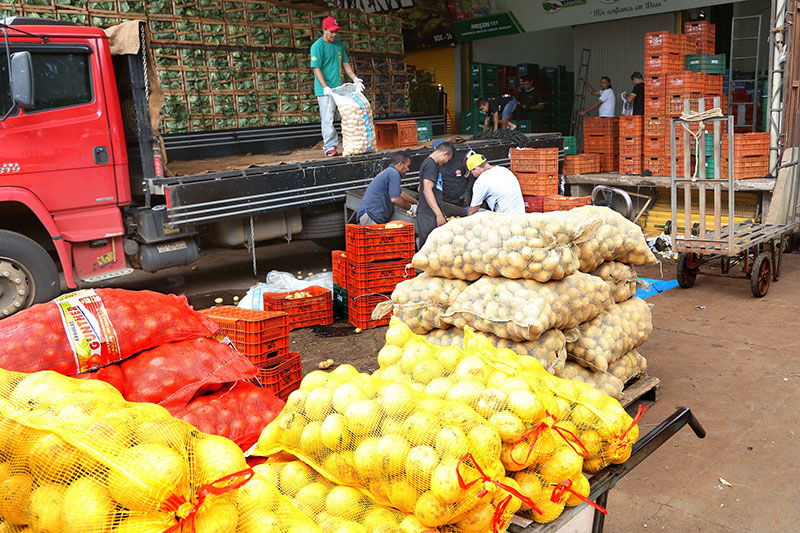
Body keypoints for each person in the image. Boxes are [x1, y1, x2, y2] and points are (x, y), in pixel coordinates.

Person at [310, 16, 363, 157]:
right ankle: (330, 147)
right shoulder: (317, 46)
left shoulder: (339, 45)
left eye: (336, 32)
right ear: (324, 30)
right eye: (332, 31)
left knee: (348, 115)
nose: (334, 34)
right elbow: (316, 68)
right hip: (325, 91)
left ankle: (352, 143)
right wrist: (325, 87)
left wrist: (355, 79)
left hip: (340, 89)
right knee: (328, 119)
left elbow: (345, 64)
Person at [356, 152, 417, 225]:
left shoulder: (389, 172)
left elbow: (400, 193)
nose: (408, 169)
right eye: (407, 166)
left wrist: (416, 203)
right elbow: (395, 199)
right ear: (400, 164)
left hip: (368, 214)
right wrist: (411, 208)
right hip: (371, 216)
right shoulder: (394, 174)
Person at [416, 141, 454, 248]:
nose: (446, 162)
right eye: (448, 159)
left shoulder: (430, 164)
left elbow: (421, 188)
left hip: (429, 213)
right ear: (445, 153)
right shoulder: (430, 165)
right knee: (430, 249)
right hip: (428, 215)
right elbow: (427, 190)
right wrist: (438, 214)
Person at [435, 140, 474, 208]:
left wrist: (467, 192)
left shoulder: (462, 159)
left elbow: (471, 177)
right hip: (444, 202)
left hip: (461, 201)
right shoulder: (433, 163)